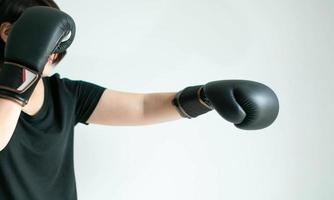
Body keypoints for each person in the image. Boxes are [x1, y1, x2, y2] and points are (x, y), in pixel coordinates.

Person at [0, 1, 279, 199]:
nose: (55, 48)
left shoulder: (67, 94)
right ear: (8, 33)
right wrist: (22, 68)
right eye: (43, 36)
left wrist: (204, 98)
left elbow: (142, 107)